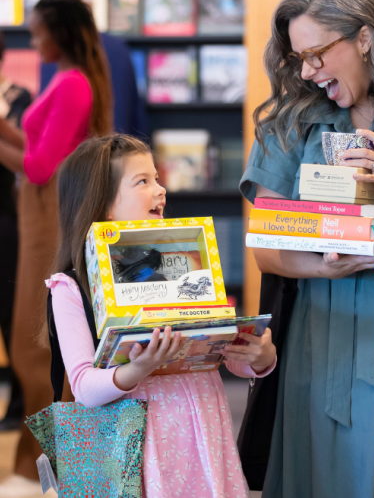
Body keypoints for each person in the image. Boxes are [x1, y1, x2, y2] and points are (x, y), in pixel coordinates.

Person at [240, 0, 374, 498]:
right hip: (323, 333)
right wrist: (323, 265)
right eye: (299, 58)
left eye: (318, 54)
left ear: (365, 37)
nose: (308, 71)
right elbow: (266, 246)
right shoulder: (292, 121)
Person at [46, 133, 277, 498]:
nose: (161, 189)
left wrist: (260, 358)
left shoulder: (187, 260)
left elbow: (216, 351)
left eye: (157, 177)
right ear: (103, 205)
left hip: (201, 429)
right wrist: (137, 370)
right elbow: (83, 388)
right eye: (143, 181)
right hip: (130, 449)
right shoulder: (71, 287)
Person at [0, 0, 112, 498]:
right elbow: (41, 149)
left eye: (38, 29)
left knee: (36, 342)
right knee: (31, 340)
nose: (32, 38)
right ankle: (35, 465)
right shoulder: (67, 80)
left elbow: (44, 168)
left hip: (50, 220)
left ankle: (49, 465)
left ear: (59, 33)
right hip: (41, 218)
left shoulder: (72, 85)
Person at [41, 0, 147, 137]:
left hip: (101, 155)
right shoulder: (50, 54)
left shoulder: (116, 50)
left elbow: (122, 116)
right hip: (70, 154)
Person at [0, 32, 31, 432]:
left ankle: (20, 401)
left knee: (12, 310)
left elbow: (30, 160)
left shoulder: (18, 98)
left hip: (6, 216)